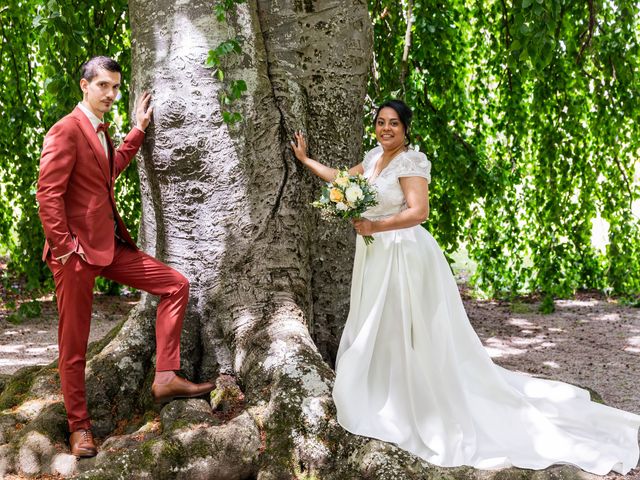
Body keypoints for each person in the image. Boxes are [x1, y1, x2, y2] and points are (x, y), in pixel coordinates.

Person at [291, 99, 640, 475]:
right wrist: (307, 161)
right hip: (377, 255)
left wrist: (375, 226)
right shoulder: (375, 157)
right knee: (380, 322)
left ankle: (414, 397)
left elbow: (418, 212)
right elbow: (345, 182)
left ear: (406, 129)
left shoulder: (412, 162)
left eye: (394, 124)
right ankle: (383, 390)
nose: (386, 129)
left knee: (404, 325)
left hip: (404, 254)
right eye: (380, 122)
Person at [36, 56, 215, 458]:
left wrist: (137, 131)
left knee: (175, 284)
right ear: (84, 85)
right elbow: (47, 195)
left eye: (116, 87)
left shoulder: (102, 130)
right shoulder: (65, 130)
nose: (111, 95)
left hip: (108, 245)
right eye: (103, 86)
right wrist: (67, 250)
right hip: (76, 256)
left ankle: (166, 376)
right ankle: (79, 428)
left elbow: (107, 171)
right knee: (74, 345)